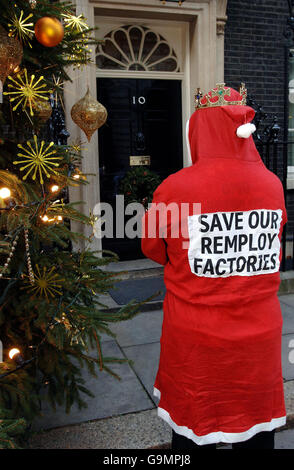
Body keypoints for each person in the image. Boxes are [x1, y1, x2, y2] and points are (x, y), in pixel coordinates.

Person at [141, 83, 287, 450]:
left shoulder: (175, 188)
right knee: (257, 431)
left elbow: (154, 249)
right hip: (259, 332)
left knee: (193, 427)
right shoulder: (272, 185)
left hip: (196, 336)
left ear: (199, 131)